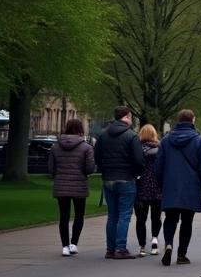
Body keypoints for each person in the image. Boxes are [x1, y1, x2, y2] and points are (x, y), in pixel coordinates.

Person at [155, 109, 201, 267]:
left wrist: (162, 184)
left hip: (171, 185)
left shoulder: (166, 141)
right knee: (187, 221)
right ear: (193, 120)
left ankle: (168, 243)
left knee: (170, 218)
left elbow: (158, 166)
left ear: (178, 120)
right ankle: (182, 254)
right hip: (191, 186)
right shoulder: (199, 141)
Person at [94, 105, 144, 259]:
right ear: (127, 117)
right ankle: (121, 248)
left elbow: (97, 157)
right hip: (126, 178)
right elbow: (138, 160)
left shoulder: (103, 135)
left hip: (108, 178)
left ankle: (110, 248)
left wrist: (105, 170)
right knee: (124, 216)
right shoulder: (132, 136)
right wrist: (136, 174)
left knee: (112, 215)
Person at [49, 118, 95, 257]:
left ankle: (64, 246)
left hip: (62, 184)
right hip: (79, 184)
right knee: (79, 215)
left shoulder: (55, 146)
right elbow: (90, 168)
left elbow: (51, 168)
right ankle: (74, 243)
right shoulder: (86, 147)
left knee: (64, 216)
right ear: (81, 130)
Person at [135, 125, 163, 257]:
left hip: (141, 185)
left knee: (141, 217)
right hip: (156, 185)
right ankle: (155, 239)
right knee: (156, 216)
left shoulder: (137, 149)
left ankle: (142, 246)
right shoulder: (159, 149)